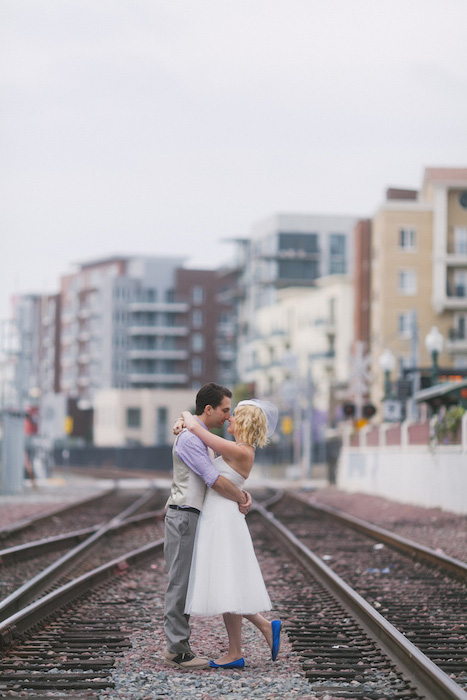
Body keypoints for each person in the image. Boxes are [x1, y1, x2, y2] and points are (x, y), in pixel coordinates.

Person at [180, 399, 282, 669]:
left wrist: (184, 418)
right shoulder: (236, 450)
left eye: (234, 416)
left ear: (245, 422)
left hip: (223, 519)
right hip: (219, 517)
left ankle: (238, 650)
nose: (229, 419)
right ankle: (247, 642)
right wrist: (184, 419)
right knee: (226, 583)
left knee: (225, 583)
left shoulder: (241, 451)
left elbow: (198, 430)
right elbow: (195, 431)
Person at [163, 383, 252, 671]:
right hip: (183, 516)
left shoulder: (201, 436)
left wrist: (184, 416)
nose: (228, 417)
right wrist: (240, 496)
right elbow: (211, 477)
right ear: (209, 409)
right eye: (225, 410)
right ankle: (177, 651)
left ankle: (180, 646)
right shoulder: (191, 439)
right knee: (180, 582)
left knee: (185, 581)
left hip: (192, 516)